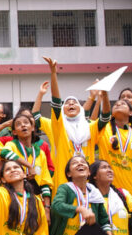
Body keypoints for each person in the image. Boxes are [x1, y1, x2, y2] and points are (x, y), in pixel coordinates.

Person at [43, 58, 105, 191]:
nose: (71, 104)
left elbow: (104, 117)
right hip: (63, 182)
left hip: (86, 181)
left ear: (81, 110)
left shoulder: (88, 127)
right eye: (67, 103)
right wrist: (53, 73)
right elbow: (55, 100)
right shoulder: (59, 126)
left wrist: (102, 96)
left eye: (75, 102)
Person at [95, 93, 132, 202]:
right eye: (116, 104)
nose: (118, 105)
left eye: (123, 104)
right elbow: (100, 116)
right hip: (108, 190)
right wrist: (104, 97)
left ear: (130, 112)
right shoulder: (103, 129)